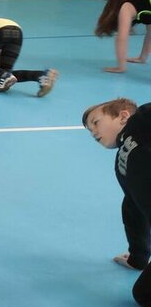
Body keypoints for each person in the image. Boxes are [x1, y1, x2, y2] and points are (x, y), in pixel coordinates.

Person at [80, 98, 151, 305]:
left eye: (96, 122)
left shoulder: (139, 124)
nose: (93, 132)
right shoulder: (122, 163)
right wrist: (137, 257)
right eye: (89, 130)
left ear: (123, 116)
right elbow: (133, 208)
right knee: (143, 294)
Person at [95, 0, 151, 73]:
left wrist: (121, 67)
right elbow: (150, 33)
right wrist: (142, 58)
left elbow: (121, 38)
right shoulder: (144, 6)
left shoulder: (127, 7)